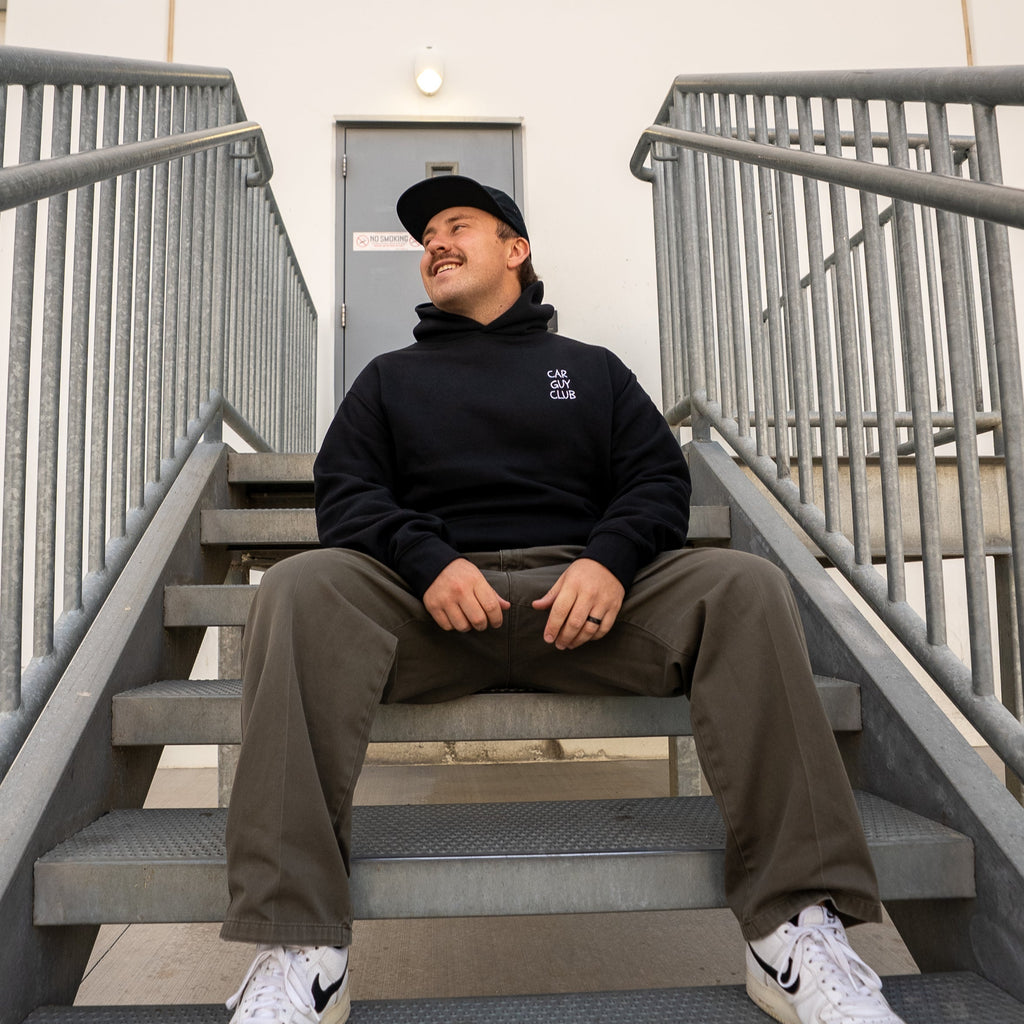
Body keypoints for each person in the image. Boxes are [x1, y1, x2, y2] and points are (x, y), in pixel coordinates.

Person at [220, 175, 906, 1024]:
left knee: (746, 584)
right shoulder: (387, 380)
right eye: (426, 236)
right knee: (297, 588)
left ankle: (793, 931)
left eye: (457, 225)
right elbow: (347, 496)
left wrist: (610, 562)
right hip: (434, 613)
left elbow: (658, 481)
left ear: (516, 249)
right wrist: (428, 561)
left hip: (587, 611)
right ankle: (300, 948)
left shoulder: (592, 371)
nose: (436, 243)